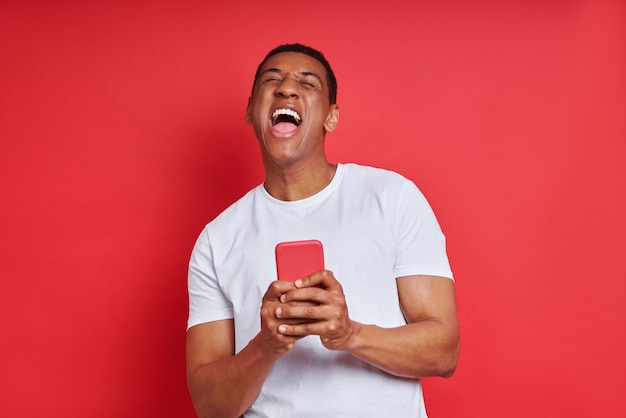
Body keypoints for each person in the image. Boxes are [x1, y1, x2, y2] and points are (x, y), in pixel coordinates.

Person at [186, 43, 459, 418]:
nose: (286, 88)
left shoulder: (393, 198)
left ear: (331, 117)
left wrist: (348, 334)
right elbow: (209, 405)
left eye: (307, 82)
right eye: (272, 80)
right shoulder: (216, 240)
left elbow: (444, 351)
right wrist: (265, 345)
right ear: (251, 110)